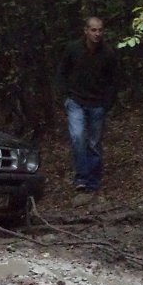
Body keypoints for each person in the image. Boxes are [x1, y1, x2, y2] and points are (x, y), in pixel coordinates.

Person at [55, 16, 118, 192]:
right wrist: (64, 96)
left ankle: (93, 180)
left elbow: (114, 80)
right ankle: (81, 177)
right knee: (78, 137)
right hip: (76, 101)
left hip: (97, 103)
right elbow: (62, 72)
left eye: (100, 30)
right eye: (93, 30)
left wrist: (107, 103)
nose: (97, 34)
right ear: (86, 31)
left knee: (94, 143)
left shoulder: (108, 53)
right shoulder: (73, 49)